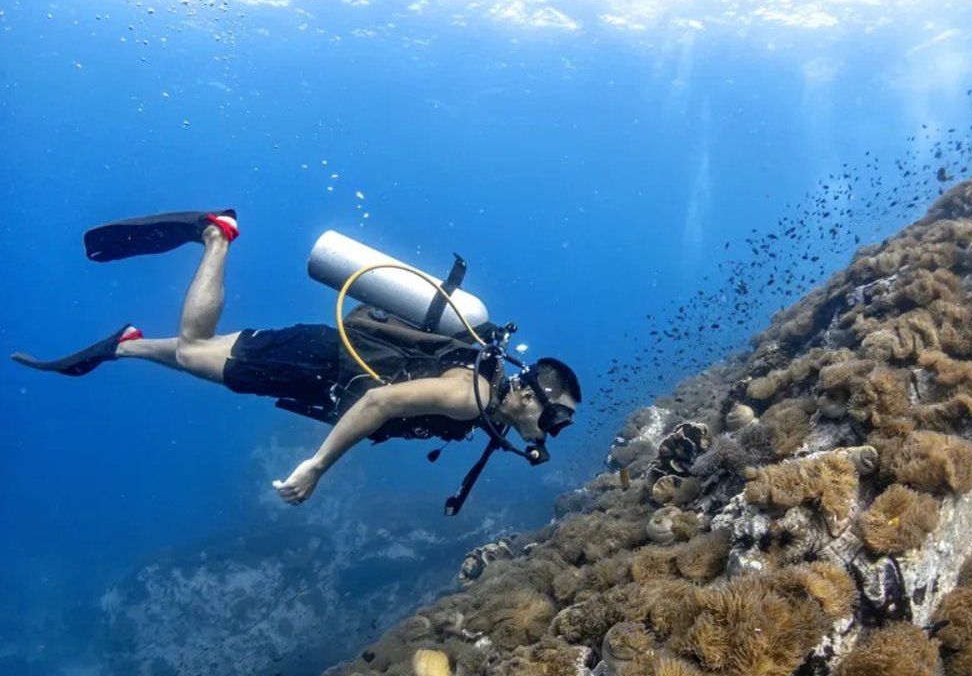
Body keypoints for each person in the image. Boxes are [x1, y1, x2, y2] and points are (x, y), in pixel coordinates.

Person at [12, 215, 582, 507]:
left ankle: (125, 345)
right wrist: (317, 465)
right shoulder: (472, 396)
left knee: (197, 355)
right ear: (529, 395)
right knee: (192, 349)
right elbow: (380, 402)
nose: (550, 431)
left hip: (318, 359)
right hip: (314, 364)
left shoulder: (484, 386)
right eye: (556, 418)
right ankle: (217, 235)